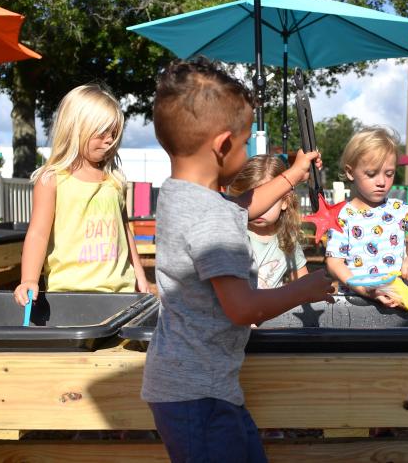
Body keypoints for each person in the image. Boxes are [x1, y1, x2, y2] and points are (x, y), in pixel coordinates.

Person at [141, 59, 335, 463]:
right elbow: (242, 309)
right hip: (200, 395)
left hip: (193, 386)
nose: (246, 152)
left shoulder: (181, 195)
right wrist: (307, 287)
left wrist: (294, 174)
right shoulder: (212, 217)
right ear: (223, 144)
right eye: (246, 143)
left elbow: (240, 207)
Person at [14, 83, 149, 305]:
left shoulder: (114, 180)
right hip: (70, 294)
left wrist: (139, 275)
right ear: (75, 128)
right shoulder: (52, 179)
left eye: (114, 133)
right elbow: (38, 233)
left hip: (120, 293)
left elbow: (125, 231)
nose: (110, 140)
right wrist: (28, 279)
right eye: (103, 131)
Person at [324, 126, 408, 308]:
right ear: (350, 172)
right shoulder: (342, 216)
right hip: (353, 304)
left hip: (396, 301)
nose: (381, 182)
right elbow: (334, 263)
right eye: (371, 174)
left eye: (389, 174)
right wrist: (365, 291)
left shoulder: (399, 210)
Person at [228, 155, 308, 289]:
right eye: (251, 201)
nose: (260, 210)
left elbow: (303, 282)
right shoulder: (235, 234)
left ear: (285, 202)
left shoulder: (287, 240)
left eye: (268, 203)